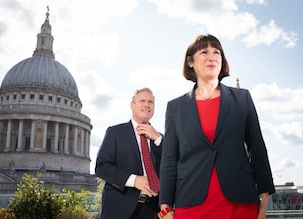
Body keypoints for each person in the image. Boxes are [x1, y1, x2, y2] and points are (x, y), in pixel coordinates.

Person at [158, 34, 275, 219]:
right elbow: (169, 160)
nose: (212, 57)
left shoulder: (242, 99)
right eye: (204, 52)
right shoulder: (175, 107)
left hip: (240, 202)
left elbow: (257, 148)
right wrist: (165, 207)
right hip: (191, 202)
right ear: (190, 62)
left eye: (217, 52)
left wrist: (265, 196)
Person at [95, 87, 163, 219]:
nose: (146, 105)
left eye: (150, 102)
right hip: (119, 209)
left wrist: (158, 139)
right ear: (132, 105)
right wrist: (134, 180)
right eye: (142, 101)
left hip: (151, 211)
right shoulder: (115, 133)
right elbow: (102, 167)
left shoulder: (161, 139)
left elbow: (174, 168)